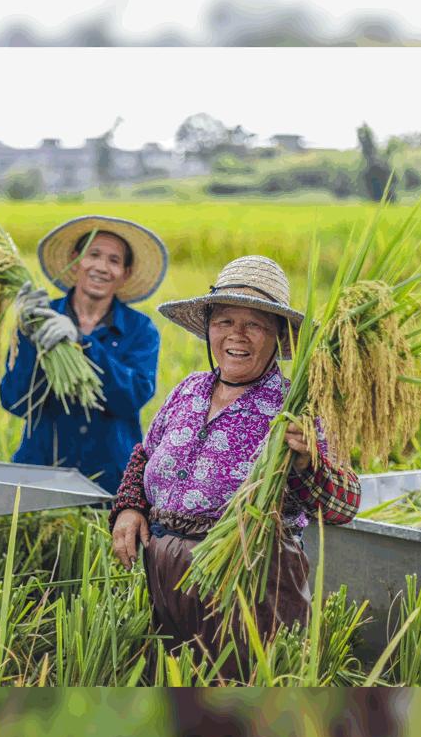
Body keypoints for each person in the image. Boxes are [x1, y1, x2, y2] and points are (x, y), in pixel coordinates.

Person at [108, 254, 361, 668]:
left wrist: (305, 464)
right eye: (224, 321)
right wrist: (130, 506)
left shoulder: (295, 407)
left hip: (249, 586)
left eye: (254, 324)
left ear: (278, 336)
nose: (236, 336)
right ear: (208, 327)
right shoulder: (189, 390)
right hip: (163, 577)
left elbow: (344, 504)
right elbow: (144, 455)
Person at [0, 216, 168, 495]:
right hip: (40, 476)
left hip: (110, 483)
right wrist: (31, 339)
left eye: (114, 260)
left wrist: (82, 342)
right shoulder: (40, 319)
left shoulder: (141, 330)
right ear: (76, 260)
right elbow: (15, 402)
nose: (102, 267)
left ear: (125, 273)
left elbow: (132, 398)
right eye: (94, 255)